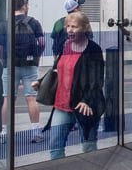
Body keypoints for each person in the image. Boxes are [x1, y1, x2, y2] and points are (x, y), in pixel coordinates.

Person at [34, 10, 104, 160]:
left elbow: (96, 80)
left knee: (88, 147)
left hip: (84, 106)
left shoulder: (93, 49)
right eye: (68, 26)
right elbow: (56, 68)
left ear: (84, 28)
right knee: (55, 147)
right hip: (62, 105)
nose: (70, 30)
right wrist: (40, 83)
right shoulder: (65, 45)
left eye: (74, 27)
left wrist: (87, 100)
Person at [0, 0, 46, 143]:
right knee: (31, 98)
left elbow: (0, 48)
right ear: (24, 6)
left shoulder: (4, 24)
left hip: (10, 65)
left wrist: (4, 63)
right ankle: (35, 131)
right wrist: (36, 58)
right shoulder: (33, 23)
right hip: (29, 65)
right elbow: (42, 42)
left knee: (7, 98)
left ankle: (5, 132)